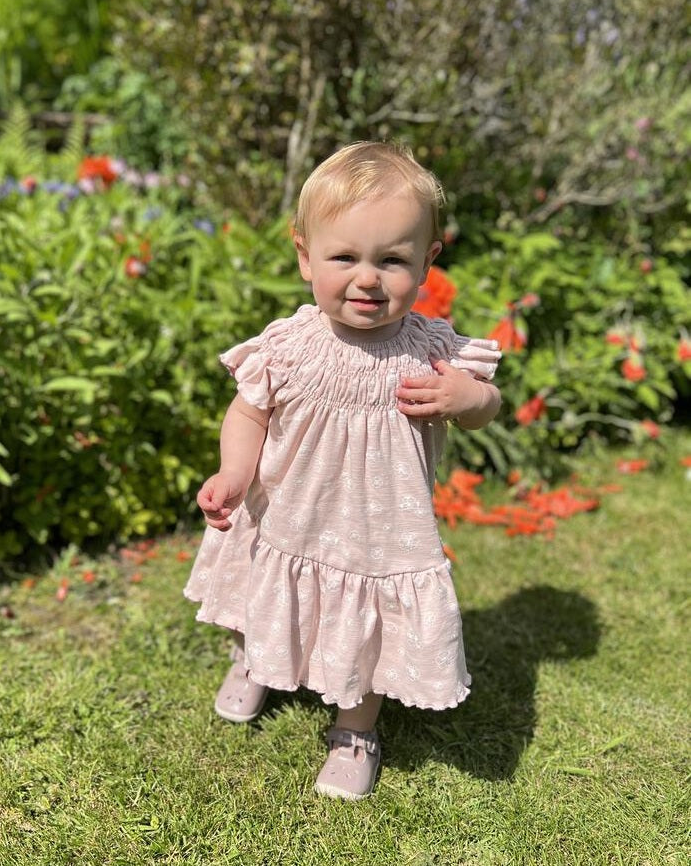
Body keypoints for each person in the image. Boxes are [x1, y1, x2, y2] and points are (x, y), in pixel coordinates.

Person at [184, 141, 502, 801]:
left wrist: (469, 400)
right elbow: (248, 413)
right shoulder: (290, 344)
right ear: (305, 256)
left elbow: (485, 408)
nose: (367, 278)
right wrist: (234, 473)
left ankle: (355, 729)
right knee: (263, 586)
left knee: (366, 625)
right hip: (288, 512)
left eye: (392, 260)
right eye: (344, 257)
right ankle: (255, 660)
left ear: (427, 261)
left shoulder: (435, 351)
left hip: (378, 535)